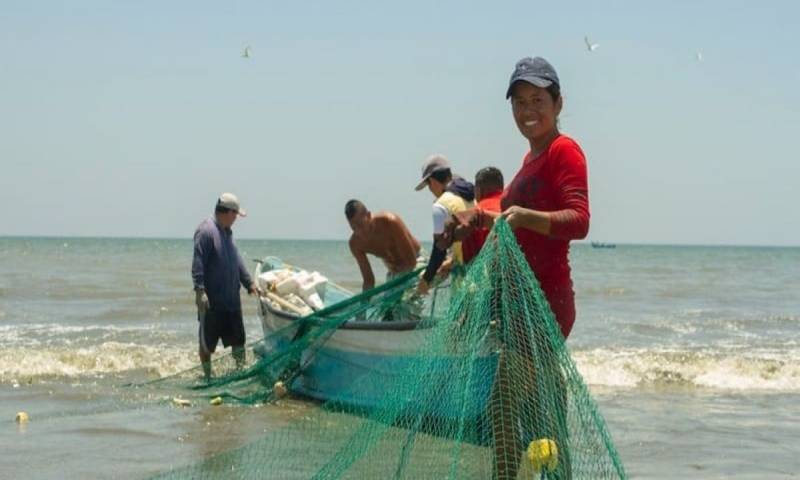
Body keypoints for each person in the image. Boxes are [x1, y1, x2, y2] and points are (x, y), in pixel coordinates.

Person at [191, 193, 260, 380]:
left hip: (232, 302)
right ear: (228, 212)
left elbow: (236, 262)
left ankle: (239, 374)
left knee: (239, 342)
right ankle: (207, 377)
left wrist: (249, 283)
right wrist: (199, 290)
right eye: (236, 214)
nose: (236, 218)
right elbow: (198, 263)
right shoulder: (206, 231)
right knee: (207, 345)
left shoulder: (227, 232)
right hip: (212, 303)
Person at [414, 154, 475, 294]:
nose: (430, 191)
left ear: (432, 181)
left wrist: (426, 280)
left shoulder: (441, 205)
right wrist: (451, 260)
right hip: (483, 274)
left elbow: (439, 250)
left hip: (465, 283)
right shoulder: (472, 196)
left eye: (428, 185)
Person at [345, 199, 424, 292]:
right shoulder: (355, 244)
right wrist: (365, 302)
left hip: (417, 261)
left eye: (360, 225)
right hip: (394, 273)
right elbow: (368, 280)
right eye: (354, 227)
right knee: (388, 305)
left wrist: (400, 286)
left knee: (409, 300)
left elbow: (411, 263)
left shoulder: (389, 221)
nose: (359, 231)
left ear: (369, 215)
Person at [459, 167, 504, 264]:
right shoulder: (513, 205)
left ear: (478, 190)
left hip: (493, 274)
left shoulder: (475, 214)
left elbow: (469, 262)